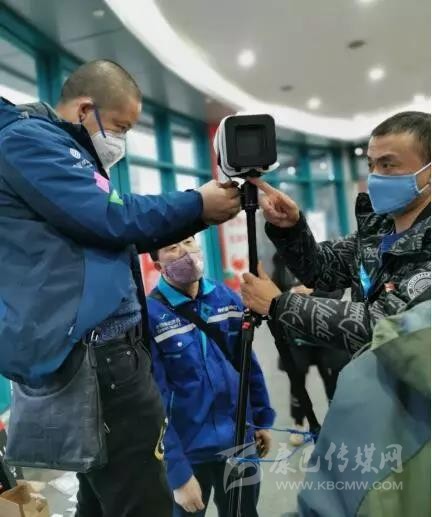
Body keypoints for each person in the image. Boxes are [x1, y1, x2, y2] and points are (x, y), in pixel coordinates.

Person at [0, 60, 240, 517]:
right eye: (121, 127)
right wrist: (196, 203)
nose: (122, 141)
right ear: (84, 110)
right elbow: (111, 217)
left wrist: (198, 215)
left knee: (102, 497)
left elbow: (108, 233)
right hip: (101, 360)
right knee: (141, 499)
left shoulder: (53, 148)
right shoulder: (29, 141)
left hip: (106, 357)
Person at [241, 111, 430, 356]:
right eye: (371, 165)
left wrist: (280, 305)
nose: (374, 177)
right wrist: (291, 228)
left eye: (387, 165)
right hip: (372, 374)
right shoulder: (378, 230)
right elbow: (321, 269)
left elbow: (388, 328)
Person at [147, 236, 275, 516]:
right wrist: (177, 474)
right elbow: (154, 401)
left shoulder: (224, 298)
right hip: (189, 453)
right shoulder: (151, 317)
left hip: (239, 441)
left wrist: (261, 419)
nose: (185, 252)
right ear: (157, 265)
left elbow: (246, 362)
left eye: (188, 242)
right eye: (172, 247)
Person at [269, 253, 350, 446]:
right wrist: (289, 296)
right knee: (297, 381)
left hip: (326, 333)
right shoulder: (281, 261)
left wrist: (312, 292)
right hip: (297, 335)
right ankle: (298, 423)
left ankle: (337, 423)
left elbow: (337, 292)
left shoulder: (323, 258)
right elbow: (273, 295)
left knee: (333, 382)